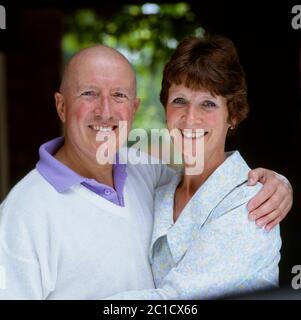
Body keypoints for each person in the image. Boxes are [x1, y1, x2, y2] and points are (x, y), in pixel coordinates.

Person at [0, 44, 292, 299]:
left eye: (208, 103)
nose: (105, 111)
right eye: (89, 93)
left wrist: (277, 182)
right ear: (61, 106)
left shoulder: (249, 205)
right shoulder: (23, 210)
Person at [106, 34, 287, 300]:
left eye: (208, 103)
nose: (190, 118)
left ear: (233, 116)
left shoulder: (252, 203)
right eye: (179, 100)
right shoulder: (162, 188)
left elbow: (178, 301)